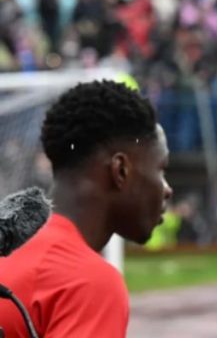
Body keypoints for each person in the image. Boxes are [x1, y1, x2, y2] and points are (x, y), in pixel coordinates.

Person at [0, 81, 171, 338]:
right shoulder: (85, 282)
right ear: (121, 170)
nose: (166, 189)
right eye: (160, 170)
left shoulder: (11, 244)